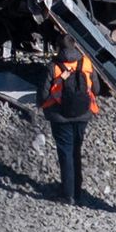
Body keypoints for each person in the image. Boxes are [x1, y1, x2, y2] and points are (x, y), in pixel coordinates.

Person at [38, 39, 99, 204]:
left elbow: (43, 95)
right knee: (76, 151)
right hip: (83, 115)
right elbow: (96, 89)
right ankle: (77, 192)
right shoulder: (86, 63)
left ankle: (68, 195)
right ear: (75, 45)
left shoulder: (53, 66)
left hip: (60, 117)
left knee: (65, 153)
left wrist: (41, 105)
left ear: (59, 48)